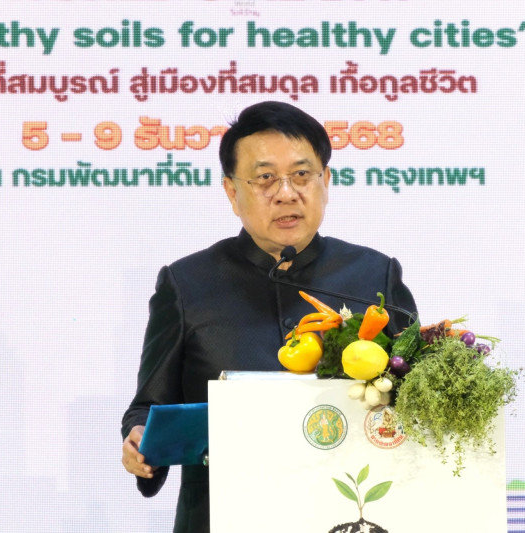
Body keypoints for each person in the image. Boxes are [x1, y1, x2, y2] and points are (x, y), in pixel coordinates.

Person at [121, 101, 417, 533]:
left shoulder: (374, 275)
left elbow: (415, 390)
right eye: (264, 178)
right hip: (222, 516)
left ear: (326, 181)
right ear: (231, 192)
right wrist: (139, 439)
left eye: (302, 174)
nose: (286, 193)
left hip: (349, 515)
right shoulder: (187, 284)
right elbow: (149, 406)